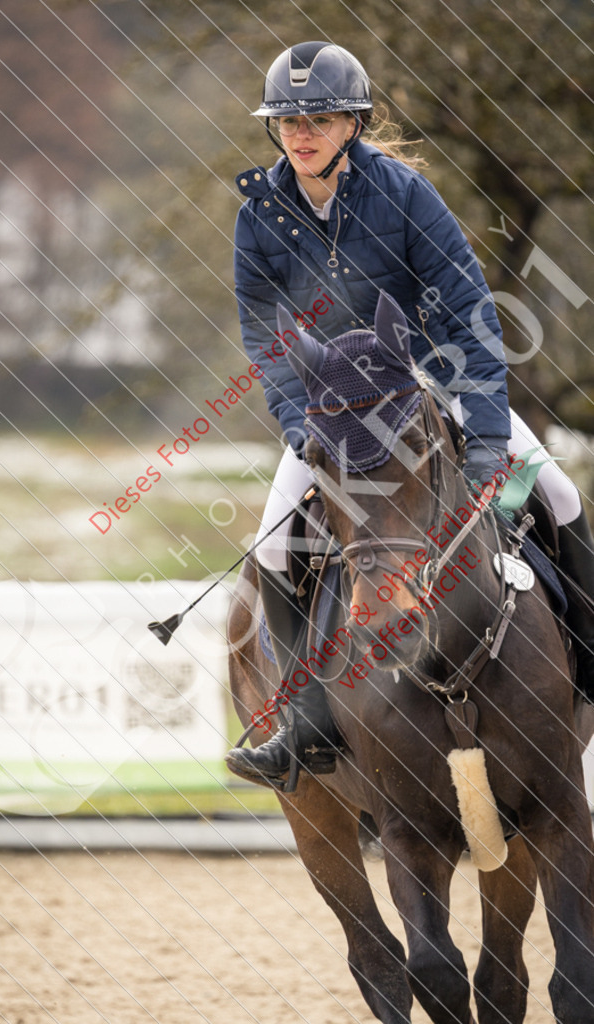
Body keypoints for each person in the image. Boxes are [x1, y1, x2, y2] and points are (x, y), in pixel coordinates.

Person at [226, 41, 594, 785]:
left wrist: (487, 432)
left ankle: (584, 666)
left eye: (319, 118)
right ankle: (304, 725)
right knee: (271, 548)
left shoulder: (402, 194)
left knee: (559, 495)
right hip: (331, 404)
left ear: (352, 124)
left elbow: (467, 312)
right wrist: (301, 421)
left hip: (433, 377)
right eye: (288, 121)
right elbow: (264, 337)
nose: (301, 133)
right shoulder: (259, 217)